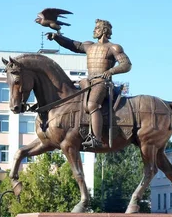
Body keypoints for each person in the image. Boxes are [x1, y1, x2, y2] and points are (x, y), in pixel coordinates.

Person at [47, 19, 132, 149]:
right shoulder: (89, 46)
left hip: (101, 82)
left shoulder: (113, 47)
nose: (94, 30)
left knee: (92, 104)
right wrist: (57, 38)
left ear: (104, 31)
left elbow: (126, 65)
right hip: (87, 82)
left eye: (97, 28)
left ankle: (96, 139)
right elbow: (73, 45)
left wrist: (111, 71)